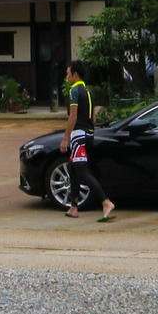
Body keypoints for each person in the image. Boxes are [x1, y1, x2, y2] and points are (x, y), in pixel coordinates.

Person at [61, 62, 115, 222]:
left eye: (68, 73)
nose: (67, 76)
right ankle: (73, 207)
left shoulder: (75, 90)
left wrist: (65, 138)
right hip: (89, 133)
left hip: (78, 135)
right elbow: (93, 118)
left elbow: (73, 116)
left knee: (82, 171)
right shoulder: (88, 91)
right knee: (72, 168)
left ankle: (106, 202)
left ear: (75, 74)